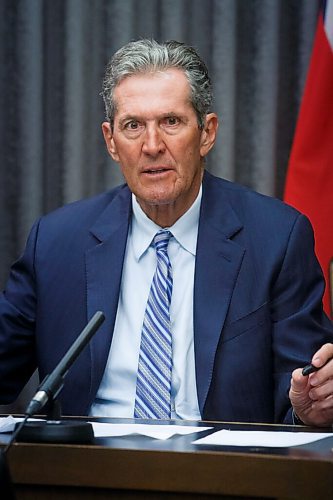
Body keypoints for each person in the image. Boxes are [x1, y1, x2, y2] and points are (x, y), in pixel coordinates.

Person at [0, 39, 333, 426]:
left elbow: (303, 392)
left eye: (171, 122)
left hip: (219, 474)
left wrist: (308, 408)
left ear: (206, 132)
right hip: (87, 470)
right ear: (110, 140)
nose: (152, 145)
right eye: (133, 126)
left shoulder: (276, 237)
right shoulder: (57, 242)